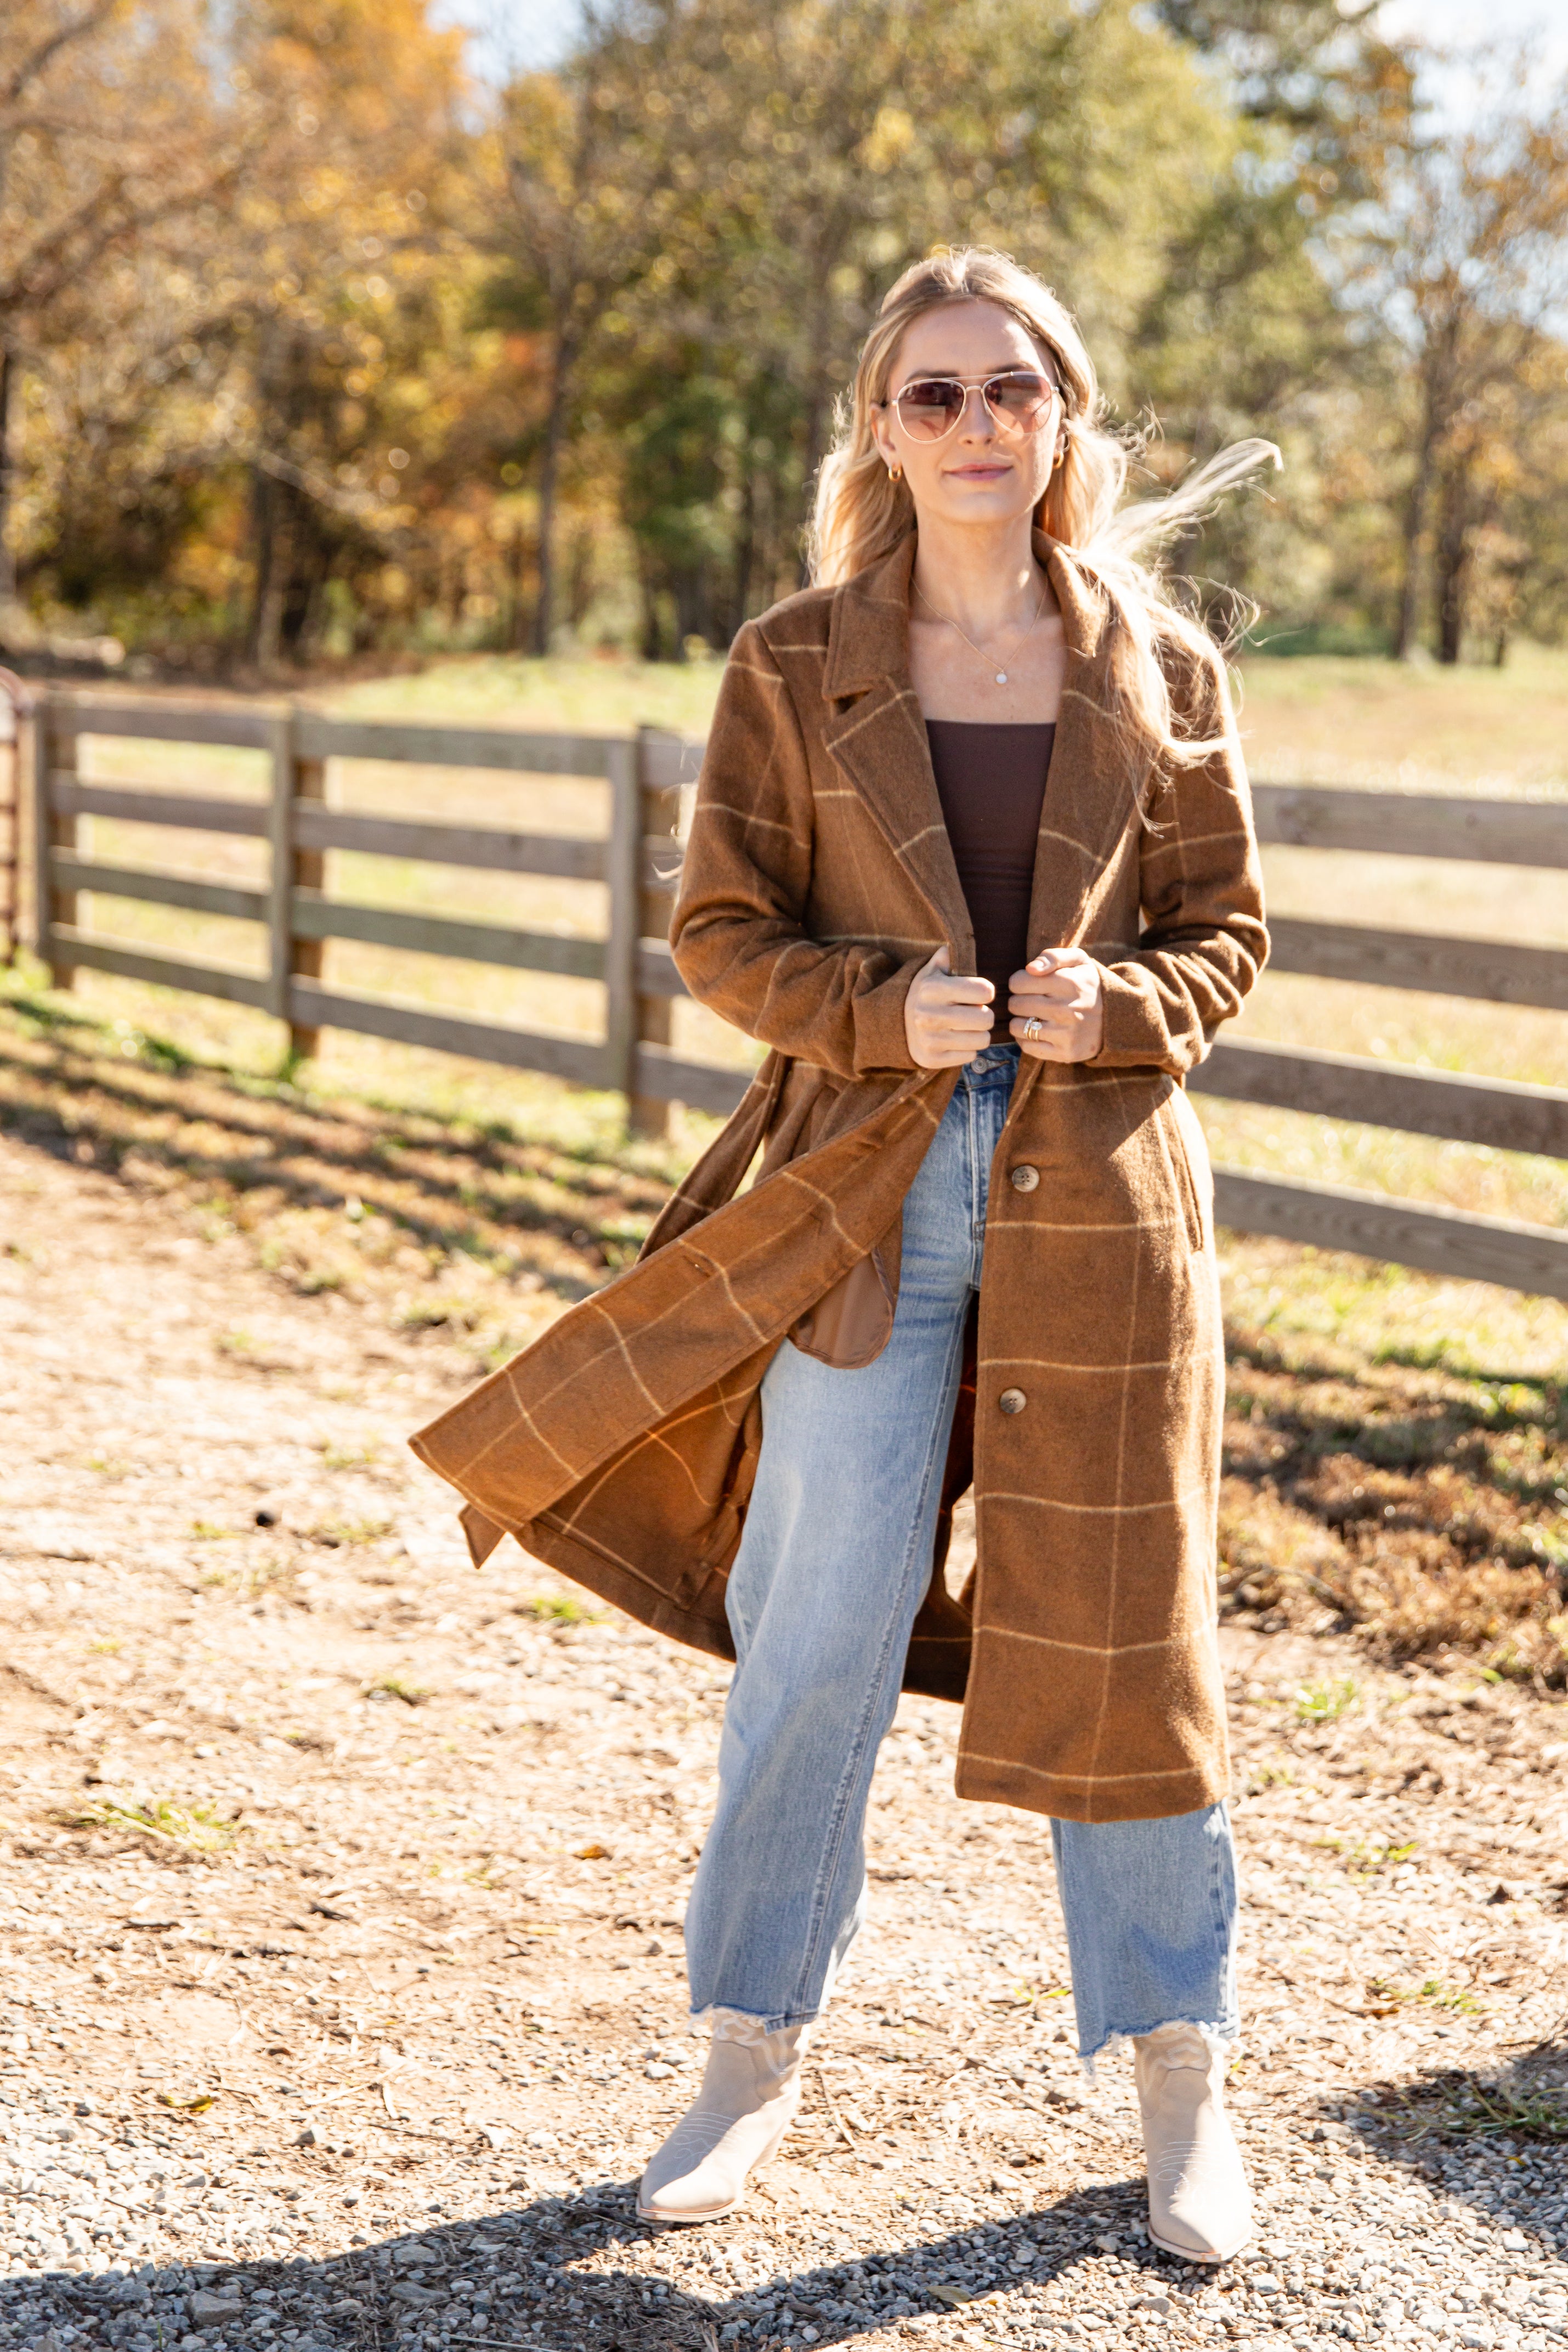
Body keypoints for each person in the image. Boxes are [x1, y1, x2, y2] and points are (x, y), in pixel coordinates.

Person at [410, 246, 1272, 2261]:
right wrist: (887, 1013)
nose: (975, 427)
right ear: (877, 430)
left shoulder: (1160, 662)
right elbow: (720, 936)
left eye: (1009, 391)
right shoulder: (792, 661)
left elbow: (1226, 936)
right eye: (931, 395)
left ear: (1063, 416)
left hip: (1110, 1211)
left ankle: (1178, 2091)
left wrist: (1116, 1010)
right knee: (812, 1641)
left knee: (1125, 1647)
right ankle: (738, 2065)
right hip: (860, 1202)